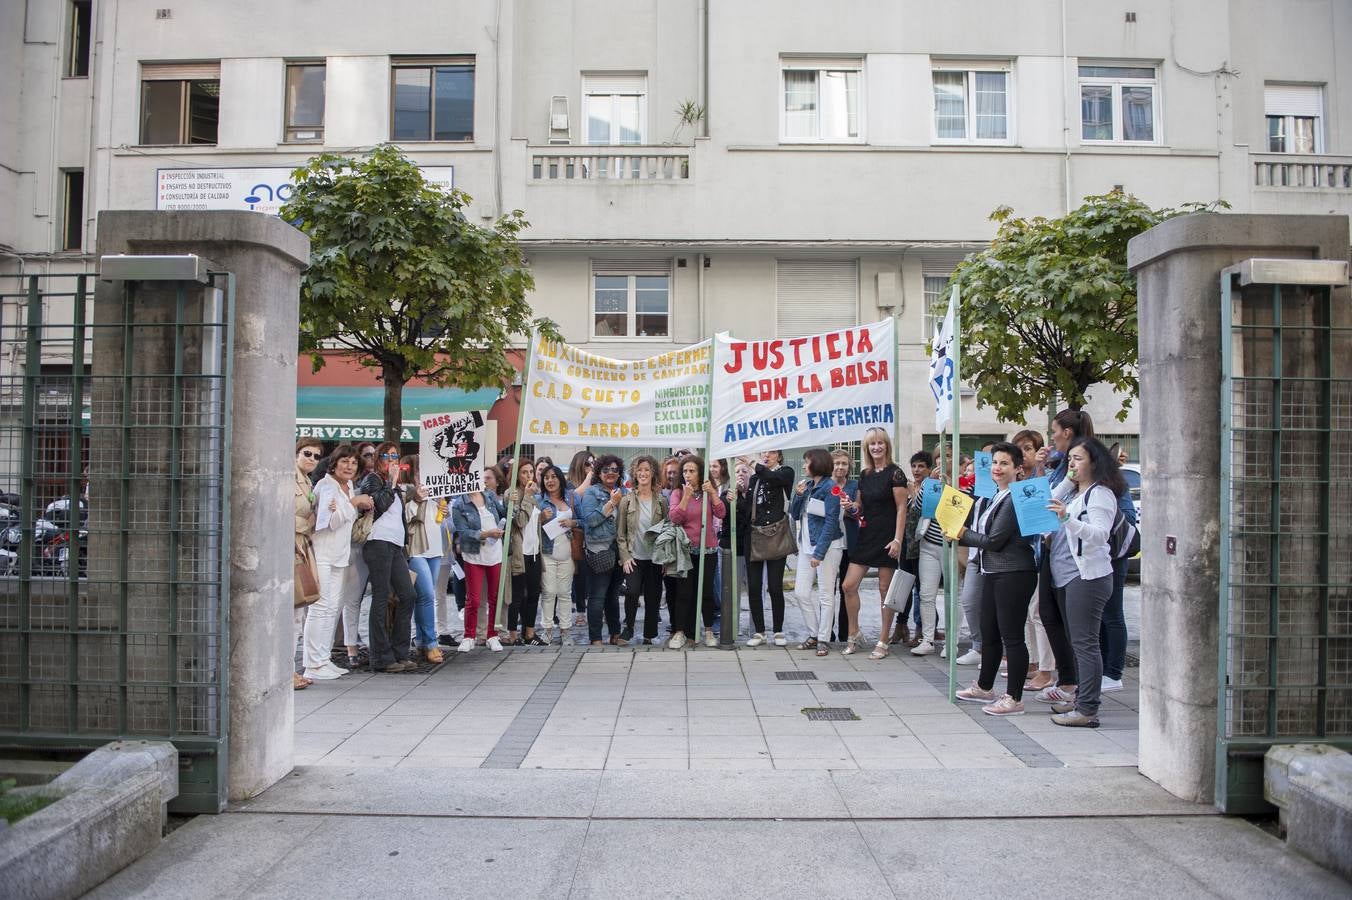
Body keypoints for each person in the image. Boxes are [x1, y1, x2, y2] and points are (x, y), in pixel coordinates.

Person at [951, 442, 1040, 716]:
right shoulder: (995, 497)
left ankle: (1014, 697)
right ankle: (984, 686)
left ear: (1018, 469)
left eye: (1004, 463)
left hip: (1014, 573)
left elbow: (995, 540)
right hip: (993, 571)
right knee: (989, 631)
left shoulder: (1014, 498)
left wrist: (961, 533)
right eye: (995, 463)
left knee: (1012, 637)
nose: (998, 468)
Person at [1043, 437, 1125, 728]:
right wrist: (1066, 483)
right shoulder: (1078, 492)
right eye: (1070, 458)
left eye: (1078, 459)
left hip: (1087, 576)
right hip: (1068, 576)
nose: (1071, 463)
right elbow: (1047, 501)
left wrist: (1067, 519)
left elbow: (1100, 534)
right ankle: (1081, 697)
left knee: (1086, 644)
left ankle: (1088, 708)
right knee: (1078, 643)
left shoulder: (1100, 494)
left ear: (1094, 462)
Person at [1032, 409, 1096, 704]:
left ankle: (1084, 693)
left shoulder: (1094, 485)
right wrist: (1041, 468)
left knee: (1078, 632)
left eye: (1054, 431)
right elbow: (1045, 499)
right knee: (1048, 613)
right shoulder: (1061, 467)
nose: (1052, 437)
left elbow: (1096, 526)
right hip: (1052, 549)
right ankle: (1068, 680)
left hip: (1076, 560)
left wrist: (1067, 485)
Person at [303, 444, 372, 681]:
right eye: (345, 461)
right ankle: (312, 663)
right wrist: (352, 504)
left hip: (340, 555)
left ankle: (323, 658)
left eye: (353, 462)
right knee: (320, 608)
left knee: (332, 608)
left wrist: (346, 504)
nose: (349, 466)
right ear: (334, 463)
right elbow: (329, 522)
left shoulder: (348, 487)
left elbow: (341, 518)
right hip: (323, 553)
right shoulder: (326, 485)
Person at [839, 428, 908, 660]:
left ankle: (883, 639)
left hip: (888, 535)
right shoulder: (865, 474)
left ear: (887, 445)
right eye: (872, 444)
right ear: (866, 448)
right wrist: (852, 507)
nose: (876, 447)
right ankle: (854, 632)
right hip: (867, 535)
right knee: (848, 585)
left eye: (880, 443)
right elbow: (861, 507)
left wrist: (898, 538)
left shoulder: (896, 474)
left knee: (884, 590)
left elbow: (901, 508)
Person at [356, 442, 419, 673]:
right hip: (378, 542)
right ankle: (380, 656)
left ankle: (400, 651)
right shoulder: (373, 480)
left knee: (408, 594)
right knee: (381, 597)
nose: (392, 459)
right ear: (379, 459)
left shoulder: (397, 485)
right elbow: (379, 505)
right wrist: (391, 483)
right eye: (387, 455)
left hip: (394, 544)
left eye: (395, 455)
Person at [789, 448, 844, 656]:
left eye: (807, 462)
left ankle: (823, 638)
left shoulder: (831, 488)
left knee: (825, 594)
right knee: (801, 592)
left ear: (817, 463)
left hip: (827, 547)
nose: (804, 466)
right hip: (806, 545)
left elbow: (831, 521)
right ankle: (813, 633)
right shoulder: (809, 485)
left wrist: (819, 553)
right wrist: (798, 495)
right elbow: (794, 514)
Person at [668, 454, 726, 648]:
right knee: (684, 593)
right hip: (685, 550)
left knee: (706, 592)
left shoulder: (708, 490)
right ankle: (680, 632)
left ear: (700, 472)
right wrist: (686, 496)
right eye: (684, 471)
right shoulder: (677, 492)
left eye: (692, 471)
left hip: (707, 549)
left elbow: (721, 513)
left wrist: (714, 493)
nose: (687, 475)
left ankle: (708, 630)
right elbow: (675, 518)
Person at [1012, 428, 1055, 691]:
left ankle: (1046, 669)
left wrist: (1038, 469)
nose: (1024, 454)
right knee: (1027, 612)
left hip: (1041, 551)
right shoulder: (1016, 481)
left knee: (1038, 611)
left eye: (1028, 448)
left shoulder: (1044, 477)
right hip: (1022, 554)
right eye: (1020, 449)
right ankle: (1032, 661)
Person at [738, 450, 794, 647]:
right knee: (753, 586)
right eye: (763, 453)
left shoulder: (785, 472)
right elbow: (747, 509)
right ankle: (760, 632)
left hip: (776, 534)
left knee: (775, 586)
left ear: (779, 456)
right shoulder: (755, 478)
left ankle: (778, 630)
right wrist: (738, 495)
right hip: (754, 535)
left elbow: (773, 477)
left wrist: (753, 463)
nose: (766, 456)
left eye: (771, 453)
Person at [451, 466, 507, 652]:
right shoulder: (459, 504)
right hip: (474, 553)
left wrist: (510, 503)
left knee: (494, 597)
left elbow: (504, 513)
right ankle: (469, 635)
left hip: (494, 553)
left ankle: (492, 635)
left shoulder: (489, 496)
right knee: (473, 599)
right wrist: (485, 534)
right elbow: (463, 532)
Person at [617, 455, 669, 644]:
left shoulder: (662, 502)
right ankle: (628, 628)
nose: (643, 473)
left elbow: (666, 531)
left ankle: (650, 633)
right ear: (635, 473)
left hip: (655, 558)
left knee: (653, 596)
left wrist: (665, 558)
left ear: (653, 472)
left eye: (647, 469)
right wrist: (625, 557)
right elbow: (620, 533)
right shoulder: (627, 501)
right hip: (634, 556)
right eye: (640, 470)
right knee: (631, 592)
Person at [399, 454, 445, 664]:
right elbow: (406, 517)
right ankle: (432, 643)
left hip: (435, 547)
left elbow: (439, 520)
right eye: (419, 470)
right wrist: (417, 500)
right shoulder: (406, 490)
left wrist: (443, 508)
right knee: (426, 594)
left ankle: (421, 640)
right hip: (416, 547)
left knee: (424, 597)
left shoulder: (437, 490)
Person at [580, 454, 628, 645]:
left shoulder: (624, 491)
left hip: (619, 550)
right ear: (599, 472)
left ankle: (615, 634)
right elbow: (590, 520)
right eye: (606, 469)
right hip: (599, 551)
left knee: (613, 595)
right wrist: (611, 503)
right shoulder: (591, 492)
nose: (610, 473)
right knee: (597, 596)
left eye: (615, 470)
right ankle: (596, 638)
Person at [292, 437, 324, 690]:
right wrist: (310, 523)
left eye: (316, 455)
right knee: (294, 610)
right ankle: (287, 671)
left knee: (299, 609)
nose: (311, 459)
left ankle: (289, 668)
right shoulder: (289, 477)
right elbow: (284, 515)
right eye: (307, 453)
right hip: (291, 548)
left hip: (302, 547)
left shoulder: (308, 481)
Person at [536, 464, 577, 645]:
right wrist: (540, 519)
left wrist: (572, 522)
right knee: (549, 592)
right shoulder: (539, 500)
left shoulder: (571, 497)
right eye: (546, 478)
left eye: (553, 477)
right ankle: (547, 630)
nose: (550, 481)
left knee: (565, 593)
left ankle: (565, 630)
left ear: (560, 479)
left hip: (567, 553)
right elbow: (529, 526)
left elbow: (583, 521)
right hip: (547, 552)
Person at [507, 459, 545, 645]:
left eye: (531, 472)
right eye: (524, 472)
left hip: (535, 551)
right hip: (519, 552)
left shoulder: (535, 495)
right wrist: (528, 497)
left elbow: (533, 522)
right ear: (516, 475)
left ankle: (529, 632)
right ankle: (513, 633)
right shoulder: (511, 495)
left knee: (533, 594)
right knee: (517, 595)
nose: (529, 476)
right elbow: (520, 521)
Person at [829, 449, 859, 645]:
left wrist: (852, 508)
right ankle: (826, 633)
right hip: (830, 543)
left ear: (849, 467)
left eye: (844, 464)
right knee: (827, 590)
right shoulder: (825, 484)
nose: (840, 467)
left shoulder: (855, 485)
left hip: (850, 543)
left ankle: (845, 633)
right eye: (837, 463)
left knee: (846, 589)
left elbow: (859, 510)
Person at [566, 450, 595, 627]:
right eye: (588, 463)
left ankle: (599, 609)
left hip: (593, 533)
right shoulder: (569, 484)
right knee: (579, 575)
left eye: (593, 463)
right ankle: (581, 610)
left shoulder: (596, 483)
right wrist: (589, 478)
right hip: (576, 535)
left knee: (595, 575)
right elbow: (573, 497)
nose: (591, 466)